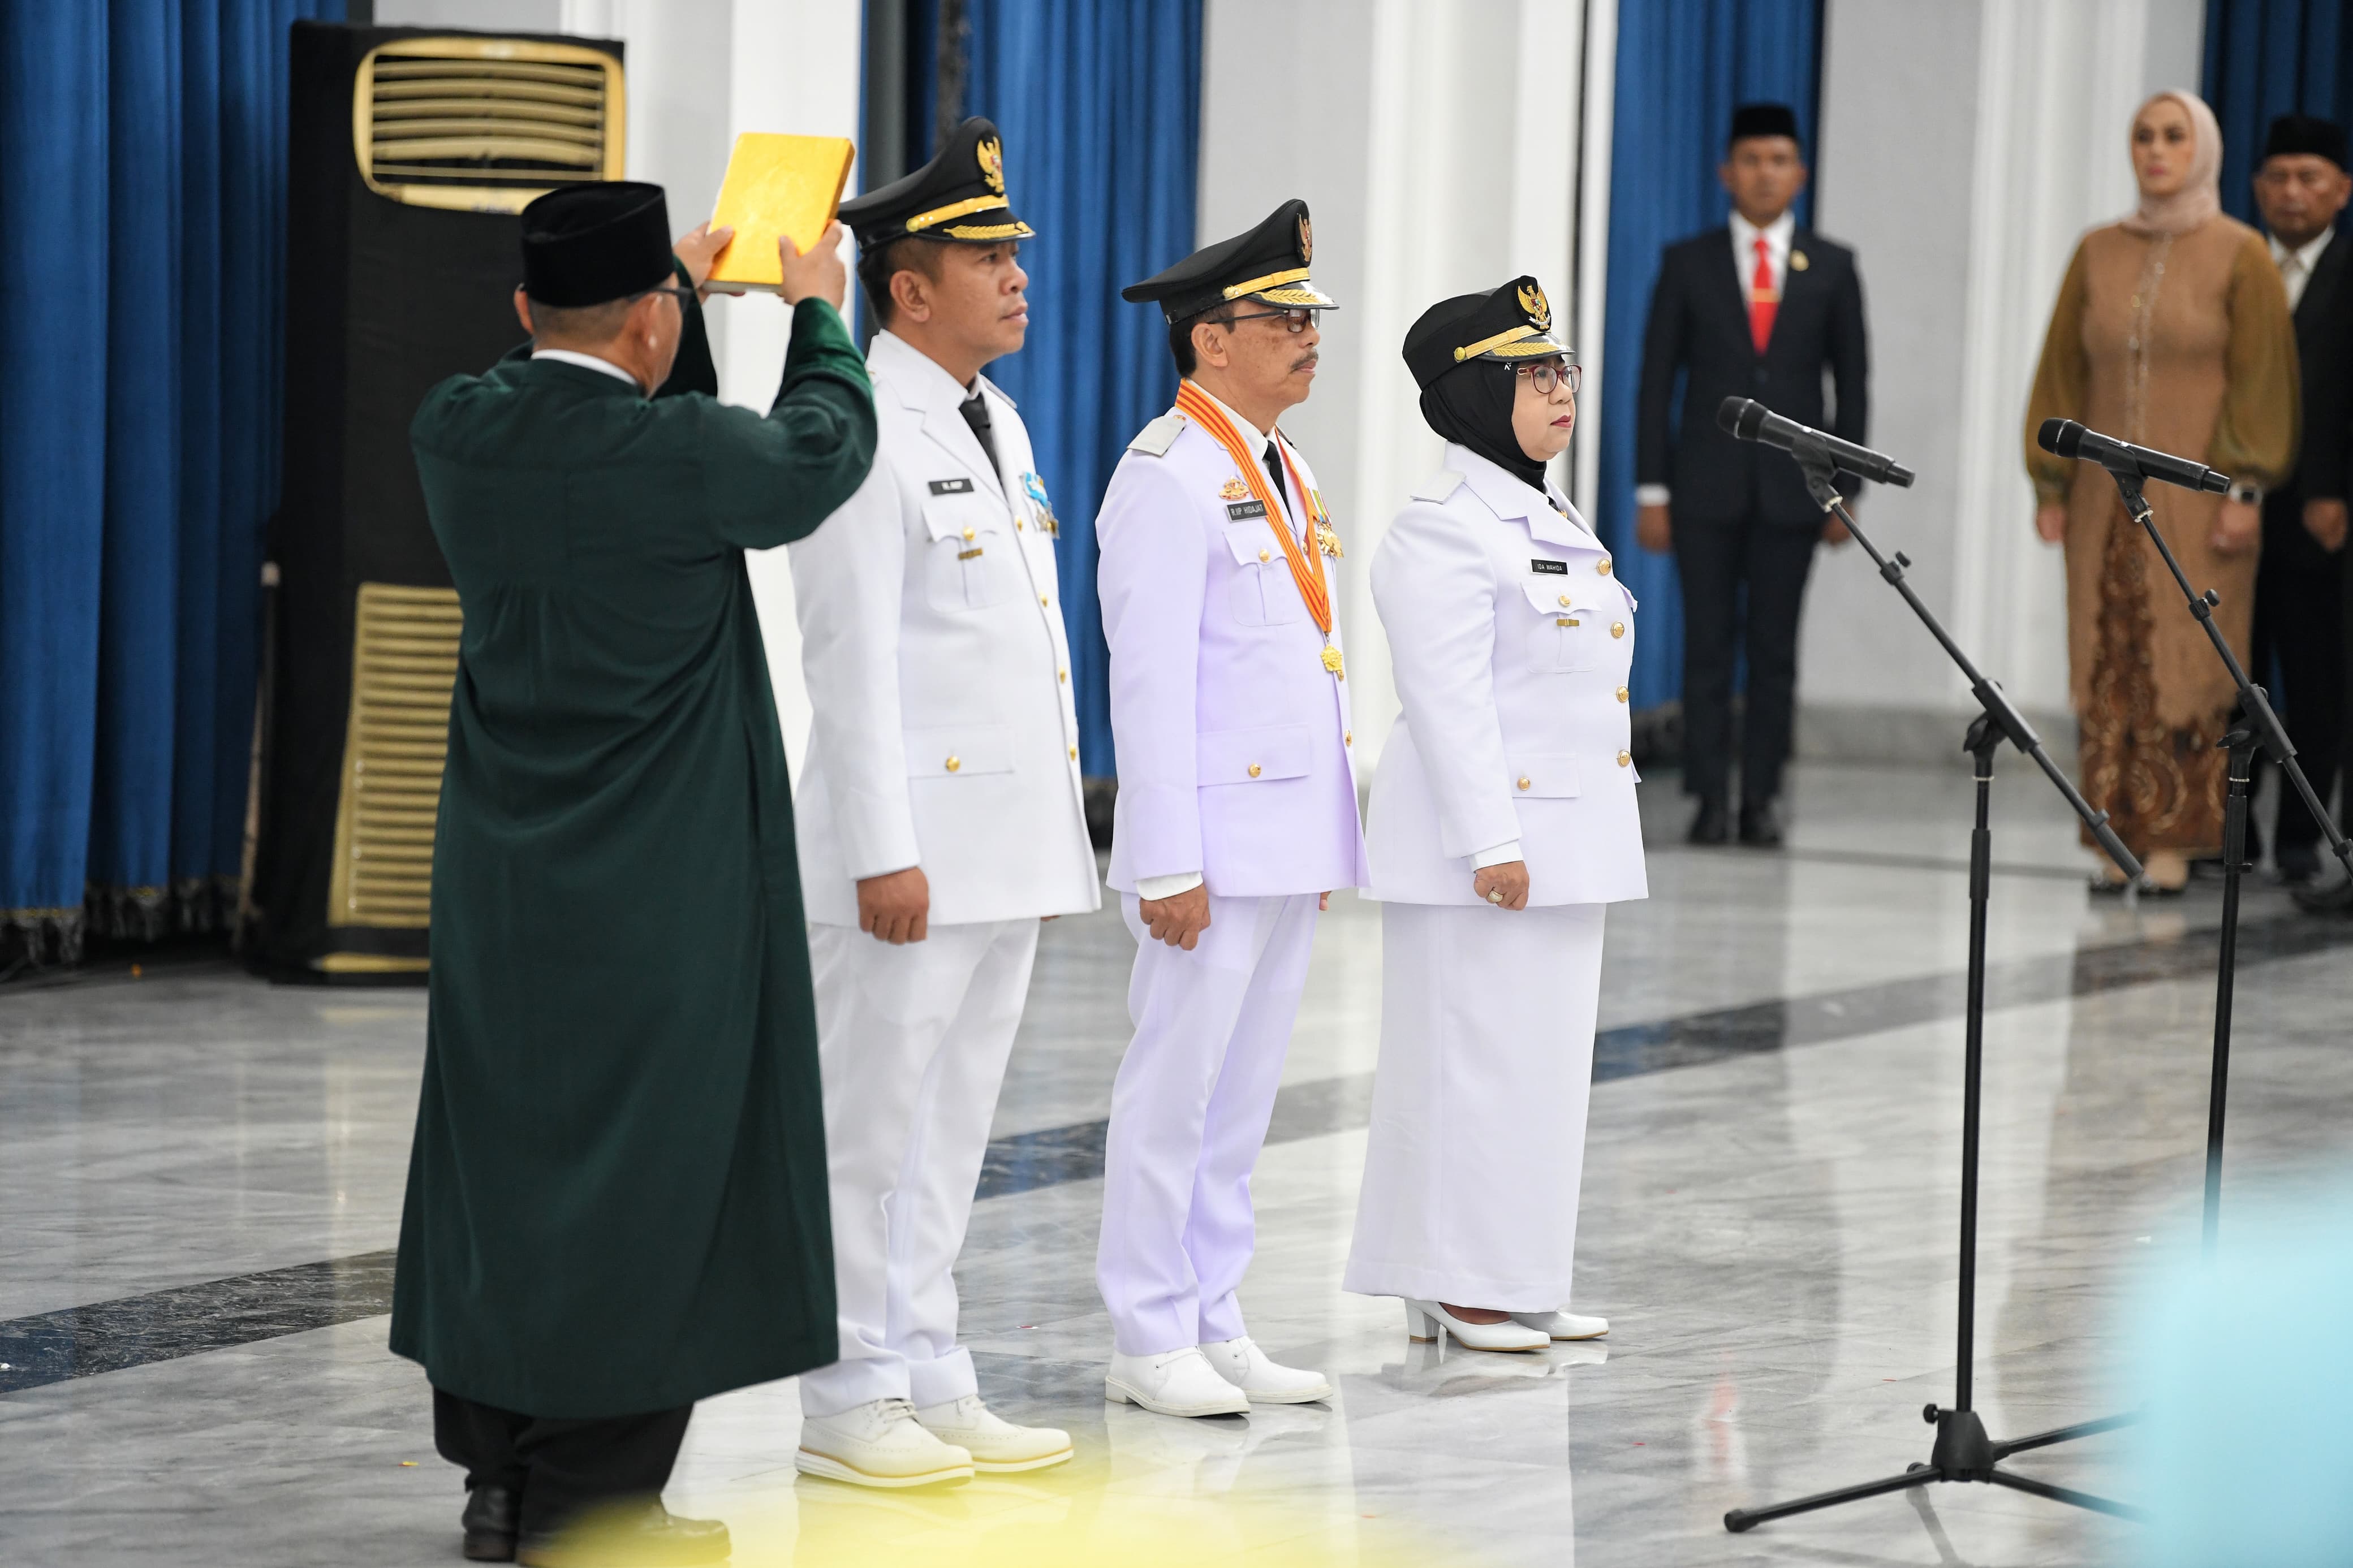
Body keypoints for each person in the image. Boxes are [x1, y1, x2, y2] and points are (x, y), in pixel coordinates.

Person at [390, 183, 874, 1565]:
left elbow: (597, 406)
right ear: (657, 323)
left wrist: (678, 302)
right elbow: (811, 453)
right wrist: (813, 310)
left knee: (505, 1160)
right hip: (658, 877)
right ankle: (593, 1502)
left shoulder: (457, 428)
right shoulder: (678, 458)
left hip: (501, 870)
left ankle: (500, 1478)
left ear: (525, 309)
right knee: (643, 1174)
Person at [787, 118, 1096, 1488]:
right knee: (868, 1128)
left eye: (1017, 253)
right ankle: (846, 1392)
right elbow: (847, 656)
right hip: (906, 855)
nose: (1019, 275)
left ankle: (928, 1363)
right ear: (909, 288)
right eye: (988, 256)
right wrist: (881, 850)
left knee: (953, 1124)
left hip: (1007, 845)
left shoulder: (997, 416)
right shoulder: (863, 420)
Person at [1093, 199, 1366, 1417]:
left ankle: (1214, 1313)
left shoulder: (1284, 464)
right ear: (1211, 340)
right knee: (1174, 1088)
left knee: (1242, 1094)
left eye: (1314, 316)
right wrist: (1162, 861)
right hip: (1204, 844)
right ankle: (1146, 1329)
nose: (1310, 336)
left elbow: (1299, 658)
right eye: (1284, 319)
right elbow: (1147, 688)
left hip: (1283, 835)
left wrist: (1324, 831)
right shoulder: (1165, 476)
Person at [1346, 278, 1646, 1351]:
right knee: (1467, 1062)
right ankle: (1454, 1280)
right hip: (1486, 849)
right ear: (1473, 395)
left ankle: (1516, 1273)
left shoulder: (1546, 510)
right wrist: (1493, 842)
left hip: (1569, 841)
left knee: (1542, 1072)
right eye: (1533, 374)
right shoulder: (1443, 530)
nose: (1560, 389)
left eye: (1561, 368)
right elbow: (1448, 700)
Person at [2025, 90, 2299, 894]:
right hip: (2098, 506)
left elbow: (2262, 385)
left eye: (2174, 137)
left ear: (2203, 150)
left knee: (2191, 656)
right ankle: (2117, 836)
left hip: (2200, 504)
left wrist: (2243, 489)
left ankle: (2179, 842)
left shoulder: (2239, 252)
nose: (2156, 150)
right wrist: (2049, 480)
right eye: (2143, 136)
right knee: (2111, 656)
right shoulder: (2097, 250)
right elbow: (2060, 374)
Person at [1634, 101, 1869, 848]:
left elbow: (1852, 386)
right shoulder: (1687, 261)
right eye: (1751, 160)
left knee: (1774, 649)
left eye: (1778, 160)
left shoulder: (1831, 266)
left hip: (1794, 492)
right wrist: (1652, 488)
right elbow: (1655, 382)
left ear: (1799, 174)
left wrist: (1846, 488)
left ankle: (1762, 795)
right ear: (1726, 172)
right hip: (1702, 489)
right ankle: (1708, 796)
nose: (1764, 173)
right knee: (1707, 646)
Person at [2247, 113, 2351, 886]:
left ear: (2341, 190)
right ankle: (2233, 835)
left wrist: (2333, 490)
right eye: (2278, 177)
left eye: (2309, 177)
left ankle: (2300, 838)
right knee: (2230, 682)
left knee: (2312, 684)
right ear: (2256, 186)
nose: (2292, 193)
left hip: (2318, 516)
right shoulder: (2238, 266)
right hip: (2232, 512)